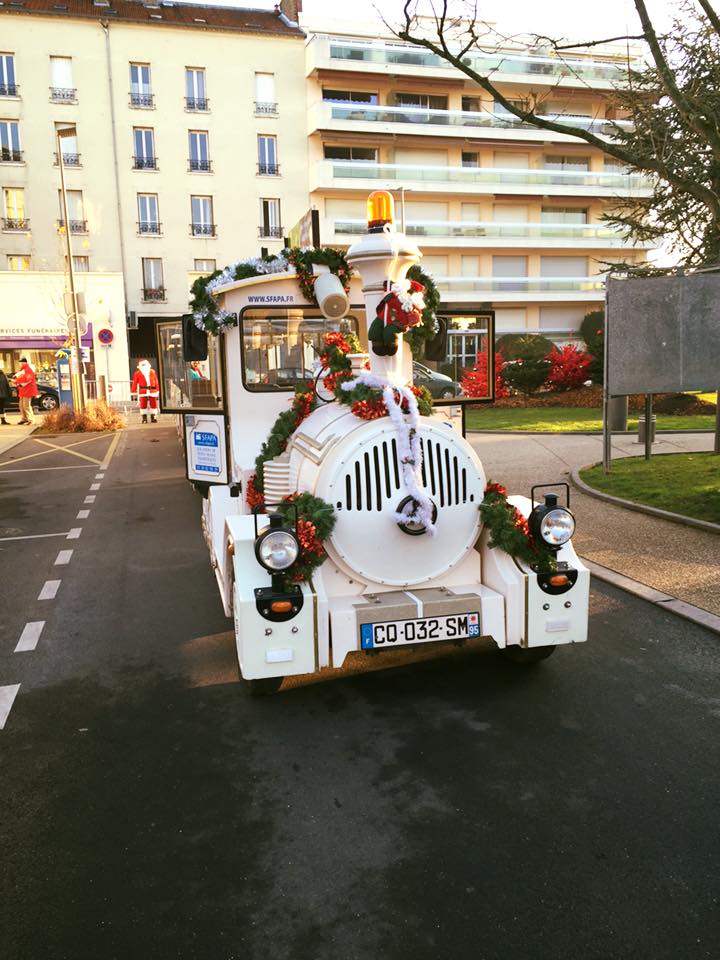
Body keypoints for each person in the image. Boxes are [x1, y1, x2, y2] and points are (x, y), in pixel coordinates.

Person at [130, 358, 160, 424]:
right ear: (140, 366)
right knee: (143, 404)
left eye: (145, 364)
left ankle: (153, 417)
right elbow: (135, 382)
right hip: (143, 391)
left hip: (152, 390)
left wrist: (158, 389)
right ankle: (144, 418)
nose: (144, 366)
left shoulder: (152, 371)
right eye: (143, 365)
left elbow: (156, 381)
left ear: (148, 365)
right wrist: (133, 390)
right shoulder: (137, 373)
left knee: (153, 403)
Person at [14, 358, 38, 425]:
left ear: (23, 363)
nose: (19, 364)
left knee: (26, 406)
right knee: (21, 406)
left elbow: (28, 380)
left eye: (20, 363)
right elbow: (20, 378)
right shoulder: (22, 370)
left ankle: (31, 420)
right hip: (22, 391)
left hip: (28, 391)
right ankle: (24, 418)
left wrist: (20, 384)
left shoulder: (28, 370)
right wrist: (16, 381)